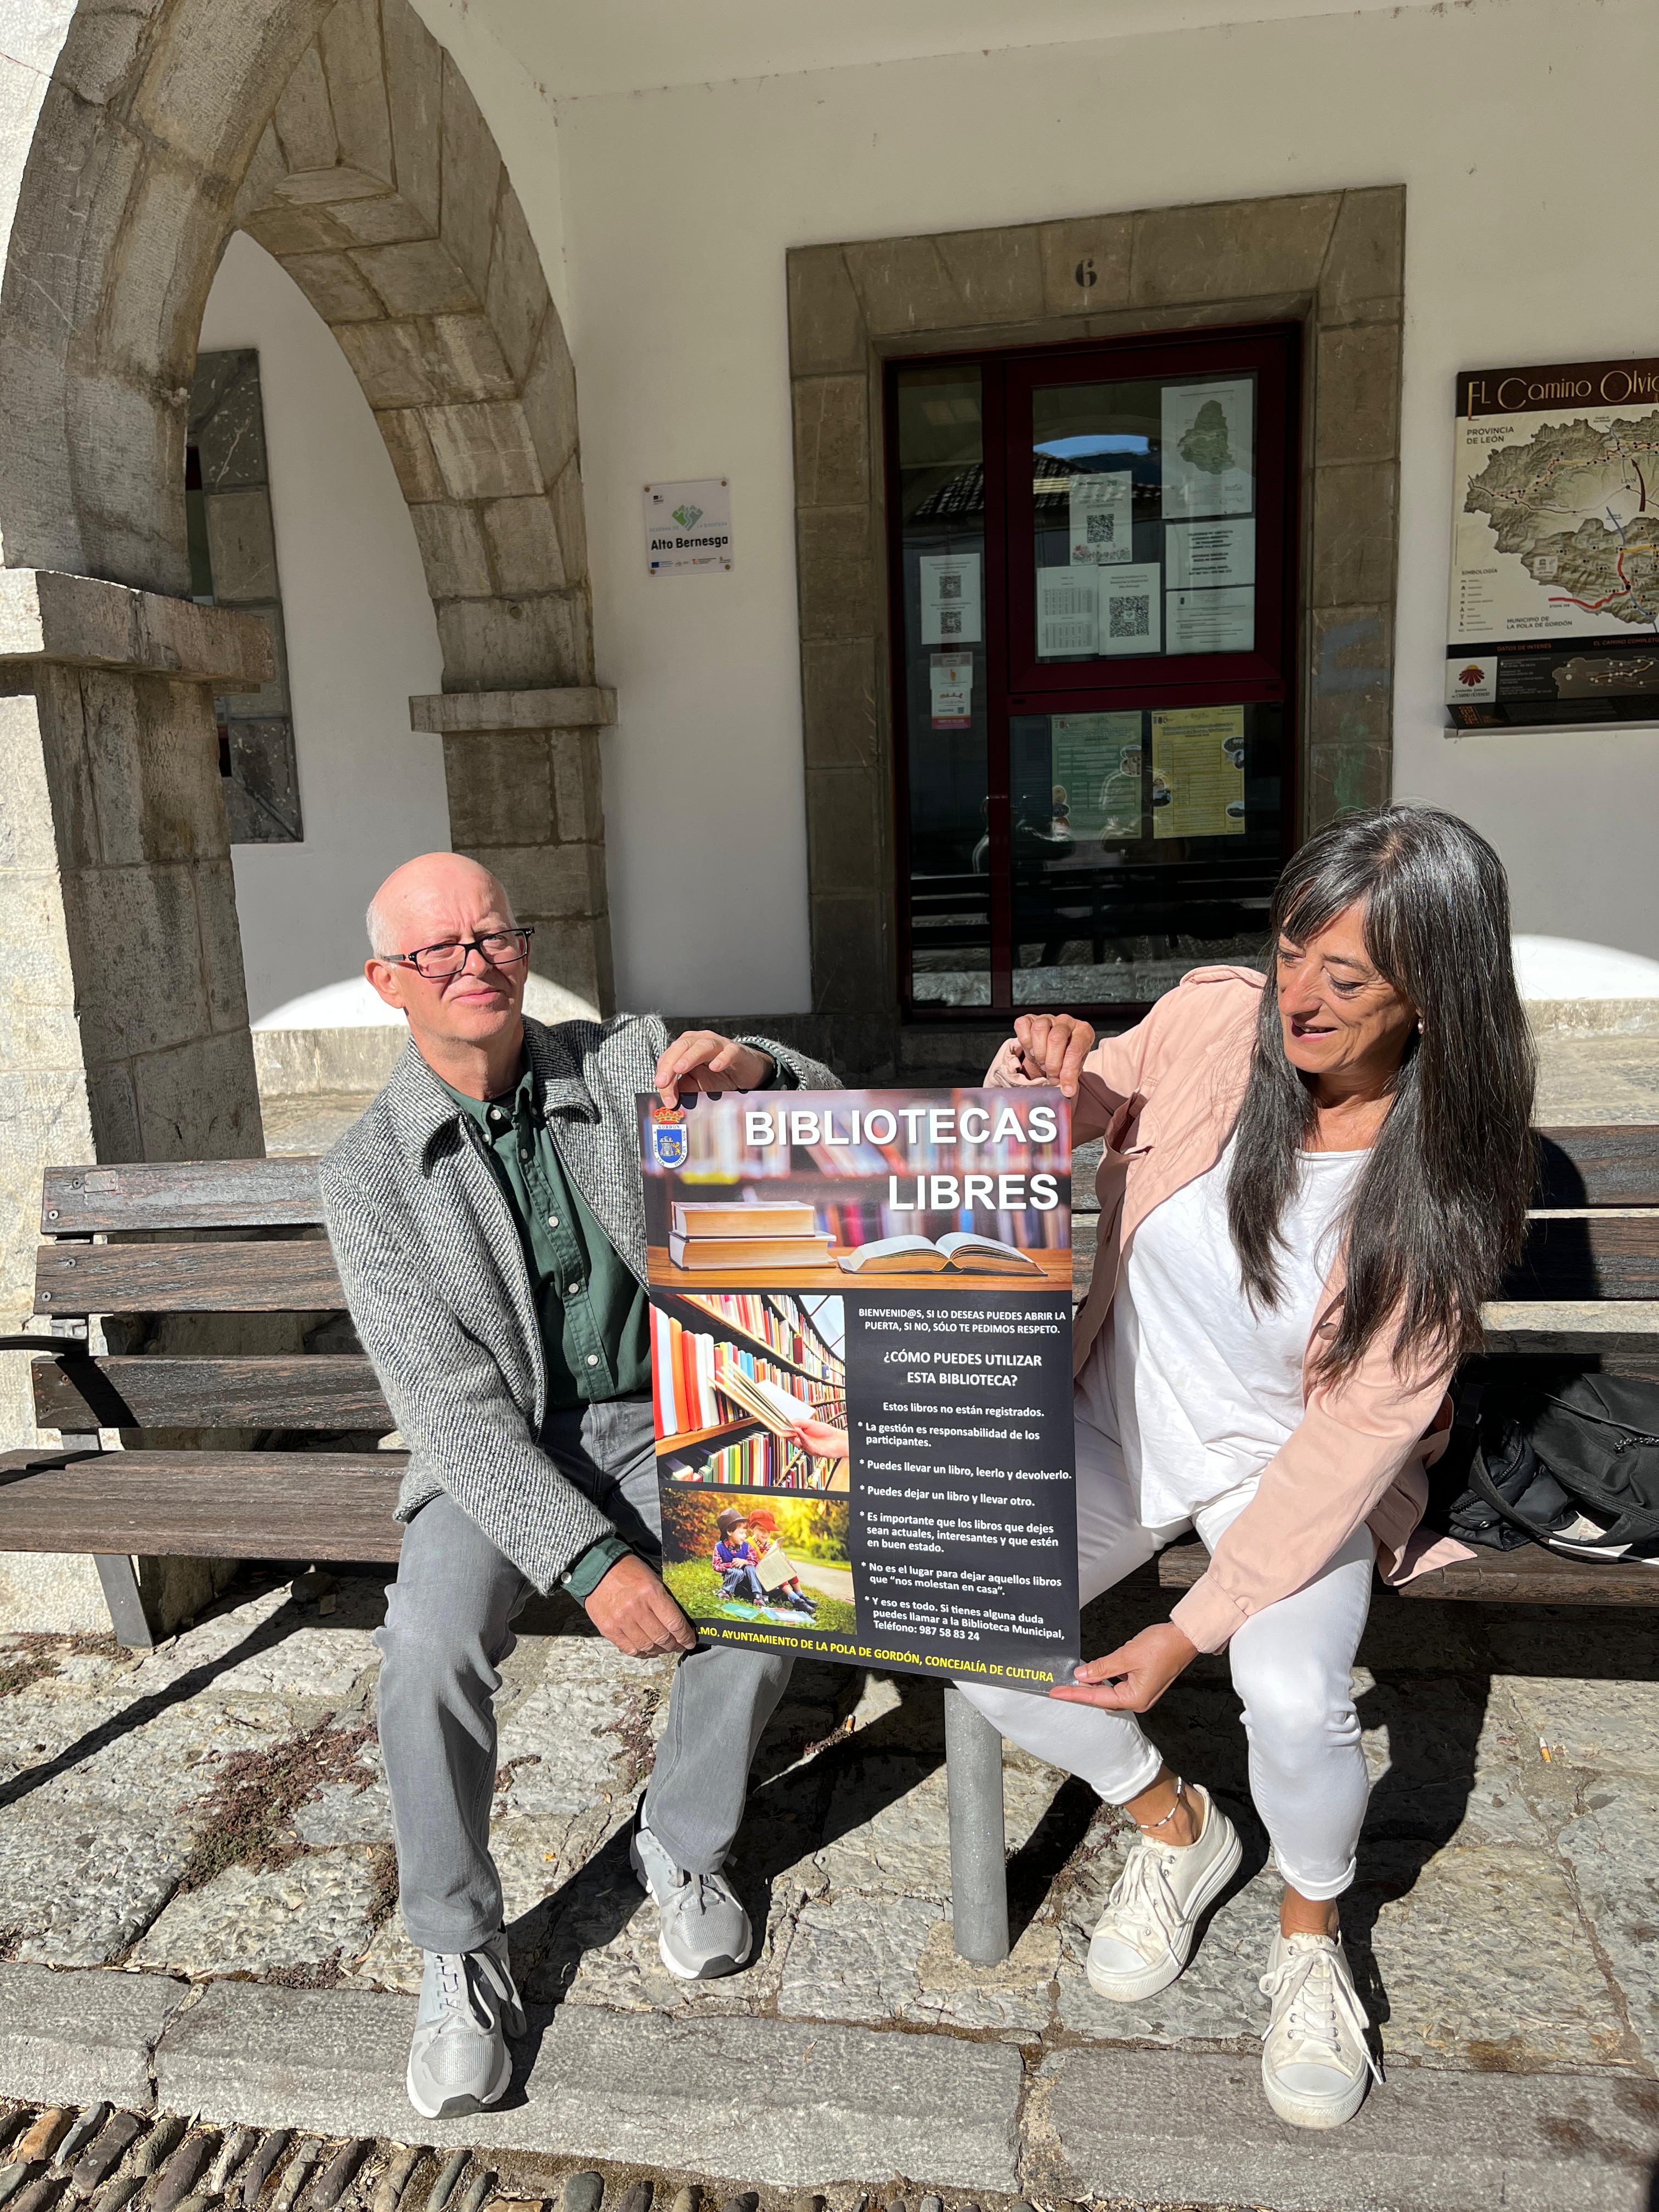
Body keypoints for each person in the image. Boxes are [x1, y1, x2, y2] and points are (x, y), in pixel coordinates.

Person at [957, 805, 1536, 2130]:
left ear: (1435, 999)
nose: (1302, 999)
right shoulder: (1221, 1019)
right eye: (1292, 952)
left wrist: (1186, 1629)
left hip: (1291, 1477)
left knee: (1289, 1694)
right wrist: (1036, 1077)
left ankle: (1309, 1934)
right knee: (951, 1616)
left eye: (1349, 979)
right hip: (1121, 1413)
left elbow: (1353, 1442)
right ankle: (1174, 1824)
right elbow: (1067, 1119)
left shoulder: (1449, 1181)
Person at [320, 853, 836, 2121]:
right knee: (427, 1650)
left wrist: (756, 1076)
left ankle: (687, 1836)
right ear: (390, 984)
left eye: (493, 935)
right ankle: (455, 1944)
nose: (476, 963)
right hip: (491, 1448)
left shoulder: (625, 1064)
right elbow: (446, 1405)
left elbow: (832, 1111)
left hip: (664, 1418)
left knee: (776, 1564)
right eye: (440, 950)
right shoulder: (368, 1171)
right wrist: (593, 1562)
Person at [743, 1507, 817, 1613]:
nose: (765, 1534)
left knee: (787, 1568)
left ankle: (800, 1594)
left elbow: (779, 1557)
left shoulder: (773, 1543)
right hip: (758, 1577)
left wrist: (785, 1561)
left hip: (771, 1577)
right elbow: (752, 1563)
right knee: (776, 1572)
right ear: (752, 1529)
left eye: (768, 1531)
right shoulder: (749, 1543)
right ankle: (795, 1599)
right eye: (761, 1530)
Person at [712, 1507, 769, 1607]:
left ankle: (758, 1595)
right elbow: (716, 1565)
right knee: (736, 1571)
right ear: (730, 1532)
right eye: (742, 1533)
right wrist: (731, 1566)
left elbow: (755, 1562)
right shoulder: (719, 1547)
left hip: (748, 1578)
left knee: (750, 1567)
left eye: (745, 1533)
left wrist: (745, 1562)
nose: (745, 1536)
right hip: (733, 1576)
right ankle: (725, 1591)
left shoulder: (747, 1546)